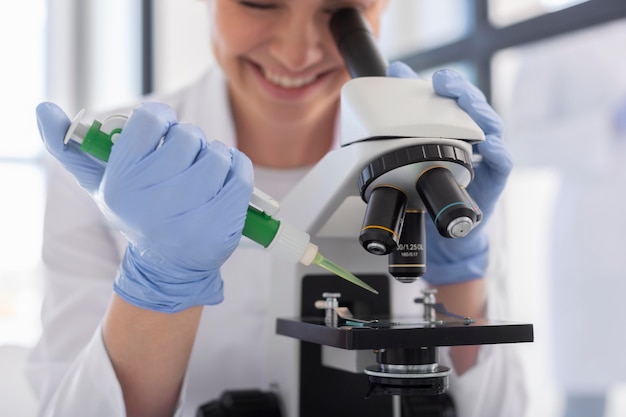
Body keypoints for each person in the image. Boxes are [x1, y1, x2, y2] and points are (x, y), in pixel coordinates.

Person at [26, 1, 524, 416]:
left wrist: (461, 272)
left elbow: (501, 407)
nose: (297, 52)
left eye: (339, 11)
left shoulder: (438, 170)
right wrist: (156, 286)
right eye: (261, 1)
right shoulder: (117, 167)